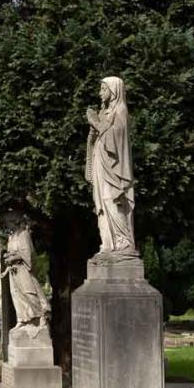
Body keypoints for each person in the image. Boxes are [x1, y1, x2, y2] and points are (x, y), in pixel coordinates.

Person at [86, 76, 135, 254]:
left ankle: (124, 241)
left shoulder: (120, 109)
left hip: (113, 166)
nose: (100, 93)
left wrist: (96, 123)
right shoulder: (103, 112)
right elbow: (98, 136)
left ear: (114, 90)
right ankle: (107, 243)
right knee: (100, 205)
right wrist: (93, 132)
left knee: (112, 201)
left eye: (103, 89)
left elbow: (117, 138)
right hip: (100, 162)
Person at [2, 218, 50, 332]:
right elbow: (11, 253)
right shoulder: (11, 237)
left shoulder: (24, 234)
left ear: (14, 222)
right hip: (14, 271)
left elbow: (27, 253)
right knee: (17, 294)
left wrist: (13, 257)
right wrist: (8, 260)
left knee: (29, 292)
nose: (6, 225)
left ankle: (40, 316)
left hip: (23, 269)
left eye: (8, 222)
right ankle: (22, 319)